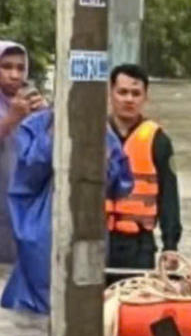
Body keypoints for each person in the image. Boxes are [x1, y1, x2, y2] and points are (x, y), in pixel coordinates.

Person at [2, 106, 132, 315]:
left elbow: (121, 184)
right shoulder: (36, 126)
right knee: (41, 302)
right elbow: (27, 175)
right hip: (41, 230)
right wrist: (54, 133)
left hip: (88, 228)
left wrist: (104, 160)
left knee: (82, 300)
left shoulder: (101, 131)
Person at [104, 63, 182, 281]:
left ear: (145, 97)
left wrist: (170, 245)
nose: (129, 99)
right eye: (122, 92)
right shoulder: (93, 134)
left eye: (136, 93)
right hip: (98, 239)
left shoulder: (158, 140)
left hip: (139, 245)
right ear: (111, 93)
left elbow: (169, 196)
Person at [0, 42, 45, 289]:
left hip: (26, 211)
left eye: (20, 68)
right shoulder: (14, 111)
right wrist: (11, 119)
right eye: (6, 67)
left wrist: (47, 117)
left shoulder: (32, 104)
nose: (14, 75)